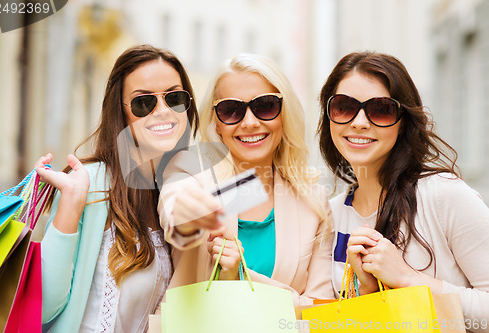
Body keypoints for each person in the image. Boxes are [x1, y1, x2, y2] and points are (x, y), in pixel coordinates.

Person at [34, 45, 199, 333]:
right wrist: (71, 203)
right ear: (120, 113)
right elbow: (44, 306)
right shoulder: (92, 183)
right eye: (143, 103)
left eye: (174, 98)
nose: (162, 111)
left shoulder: (173, 190)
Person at [318, 51, 489, 327]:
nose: (359, 122)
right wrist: (368, 290)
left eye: (381, 109)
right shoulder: (330, 215)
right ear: (329, 117)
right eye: (344, 106)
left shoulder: (444, 196)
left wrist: (408, 278)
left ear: (403, 122)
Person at [158, 53, 335, 306]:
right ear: (216, 123)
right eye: (231, 111)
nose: (250, 123)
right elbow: (175, 213)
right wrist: (189, 216)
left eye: (265, 106)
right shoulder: (191, 172)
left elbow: (322, 308)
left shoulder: (313, 201)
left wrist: (242, 277)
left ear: (284, 114)